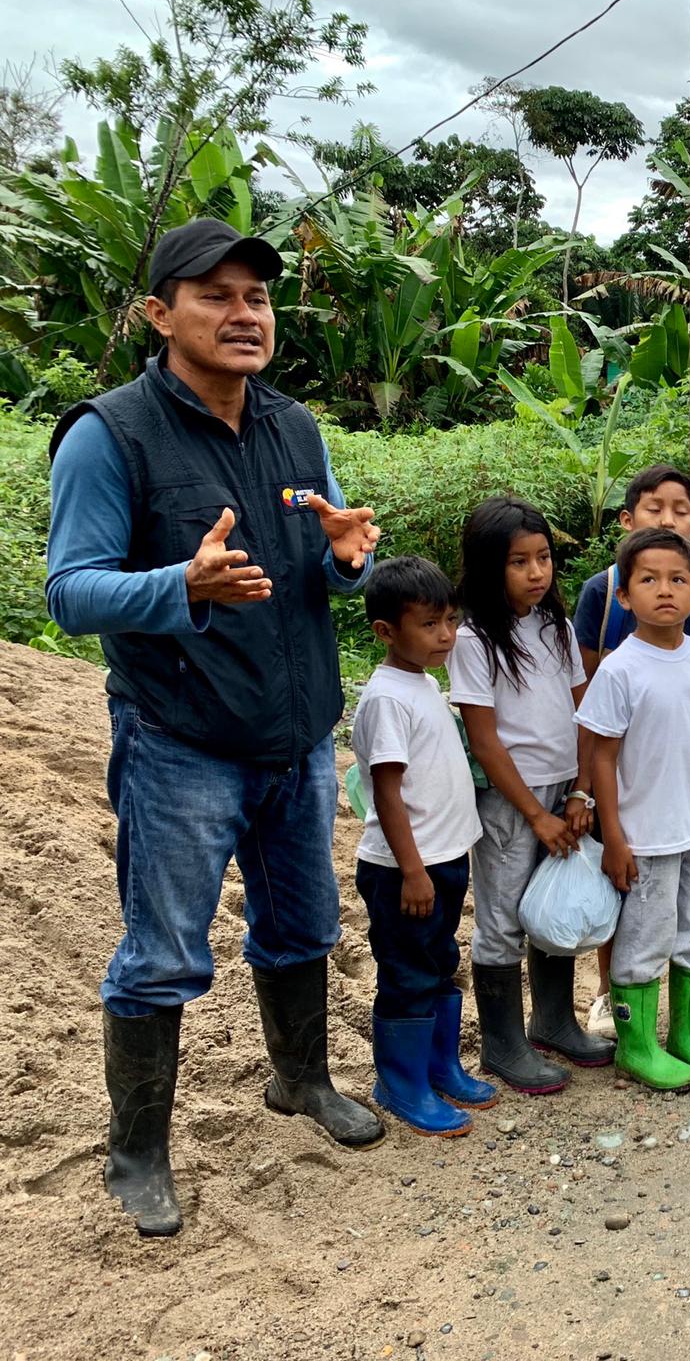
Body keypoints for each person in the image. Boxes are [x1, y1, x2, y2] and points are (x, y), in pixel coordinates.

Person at [45, 218, 385, 1237]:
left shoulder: (295, 428)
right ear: (160, 313)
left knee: (303, 927)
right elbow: (70, 592)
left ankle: (299, 1081)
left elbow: (317, 562)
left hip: (295, 737)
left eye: (259, 298)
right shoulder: (110, 433)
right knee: (163, 955)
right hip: (179, 741)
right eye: (216, 295)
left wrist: (347, 560)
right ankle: (136, 1153)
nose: (245, 315)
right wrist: (180, 585)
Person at [449, 497, 612, 1097]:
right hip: (511, 801)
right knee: (502, 916)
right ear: (489, 567)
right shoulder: (473, 640)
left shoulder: (557, 627)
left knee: (555, 906)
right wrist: (536, 813)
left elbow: (582, 713)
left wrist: (580, 792)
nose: (537, 572)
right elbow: (487, 743)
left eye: (543, 558)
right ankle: (501, 1043)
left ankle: (552, 1019)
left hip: (564, 792)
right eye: (520, 562)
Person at [575, 528, 690, 1091]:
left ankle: (688, 1034)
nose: (664, 590)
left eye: (679, 580)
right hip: (645, 833)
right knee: (646, 935)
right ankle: (637, 1044)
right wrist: (615, 837)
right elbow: (602, 756)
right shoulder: (621, 668)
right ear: (624, 595)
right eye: (648, 579)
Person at [352, 557, 497, 1137]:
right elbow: (384, 791)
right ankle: (400, 1081)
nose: (445, 636)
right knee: (408, 971)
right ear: (387, 631)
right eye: (429, 624)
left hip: (442, 858)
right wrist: (412, 871)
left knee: (438, 962)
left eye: (451, 621)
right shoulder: (388, 696)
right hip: (404, 869)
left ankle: (440, 1065)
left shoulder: (422, 682)